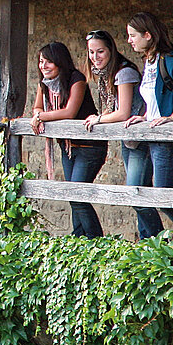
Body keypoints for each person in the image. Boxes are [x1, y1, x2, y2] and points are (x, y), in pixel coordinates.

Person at [80, 29, 162, 240]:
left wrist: (98, 119)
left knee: (135, 193)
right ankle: (148, 241)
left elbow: (123, 112)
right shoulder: (104, 75)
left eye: (100, 52)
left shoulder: (124, 72)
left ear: (111, 51)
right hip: (129, 141)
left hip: (140, 139)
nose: (95, 57)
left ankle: (157, 241)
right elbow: (111, 108)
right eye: (91, 52)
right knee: (138, 193)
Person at [123, 12, 173, 237]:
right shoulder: (149, 62)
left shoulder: (171, 60)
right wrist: (146, 116)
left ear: (148, 35)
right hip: (150, 135)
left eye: (133, 36)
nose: (130, 40)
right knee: (140, 191)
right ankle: (170, 241)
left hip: (165, 139)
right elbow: (154, 98)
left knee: (164, 194)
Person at [31, 41, 107, 238]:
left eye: (48, 62)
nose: (43, 66)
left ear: (60, 63)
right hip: (67, 147)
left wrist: (40, 117)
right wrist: (38, 114)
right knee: (72, 194)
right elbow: (37, 107)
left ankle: (96, 241)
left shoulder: (76, 79)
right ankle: (79, 239)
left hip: (89, 146)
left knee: (77, 196)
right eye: (41, 62)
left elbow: (70, 111)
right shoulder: (45, 83)